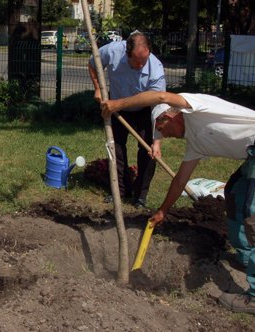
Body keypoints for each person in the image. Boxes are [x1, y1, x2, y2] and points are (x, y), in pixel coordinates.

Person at [101, 90, 255, 315]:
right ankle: (246, 256)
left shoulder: (194, 107)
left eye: (163, 131)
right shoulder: (195, 144)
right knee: (235, 194)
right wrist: (163, 211)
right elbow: (180, 179)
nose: (167, 136)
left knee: (251, 214)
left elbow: (161, 97)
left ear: (169, 117)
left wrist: (118, 104)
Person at [88, 31, 166, 208]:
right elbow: (92, 63)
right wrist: (98, 89)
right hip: (117, 110)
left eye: (144, 61)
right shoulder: (113, 51)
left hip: (144, 111)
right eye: (136, 62)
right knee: (115, 148)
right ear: (126, 52)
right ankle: (119, 190)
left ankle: (140, 196)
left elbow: (159, 107)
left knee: (148, 152)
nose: (140, 66)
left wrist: (157, 142)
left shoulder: (156, 69)